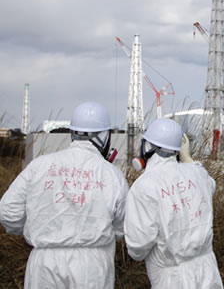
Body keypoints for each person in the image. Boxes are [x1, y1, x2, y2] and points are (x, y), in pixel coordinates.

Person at [0, 101, 129, 289]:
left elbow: (7, 211)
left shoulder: (39, 165)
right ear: (104, 136)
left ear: (73, 133)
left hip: (44, 262)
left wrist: (36, 230)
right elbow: (122, 225)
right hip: (91, 264)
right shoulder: (111, 174)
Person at [124, 118, 223, 288]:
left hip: (172, 278)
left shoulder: (144, 186)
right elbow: (211, 184)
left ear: (147, 147)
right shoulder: (197, 174)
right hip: (208, 272)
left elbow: (137, 247)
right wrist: (188, 159)